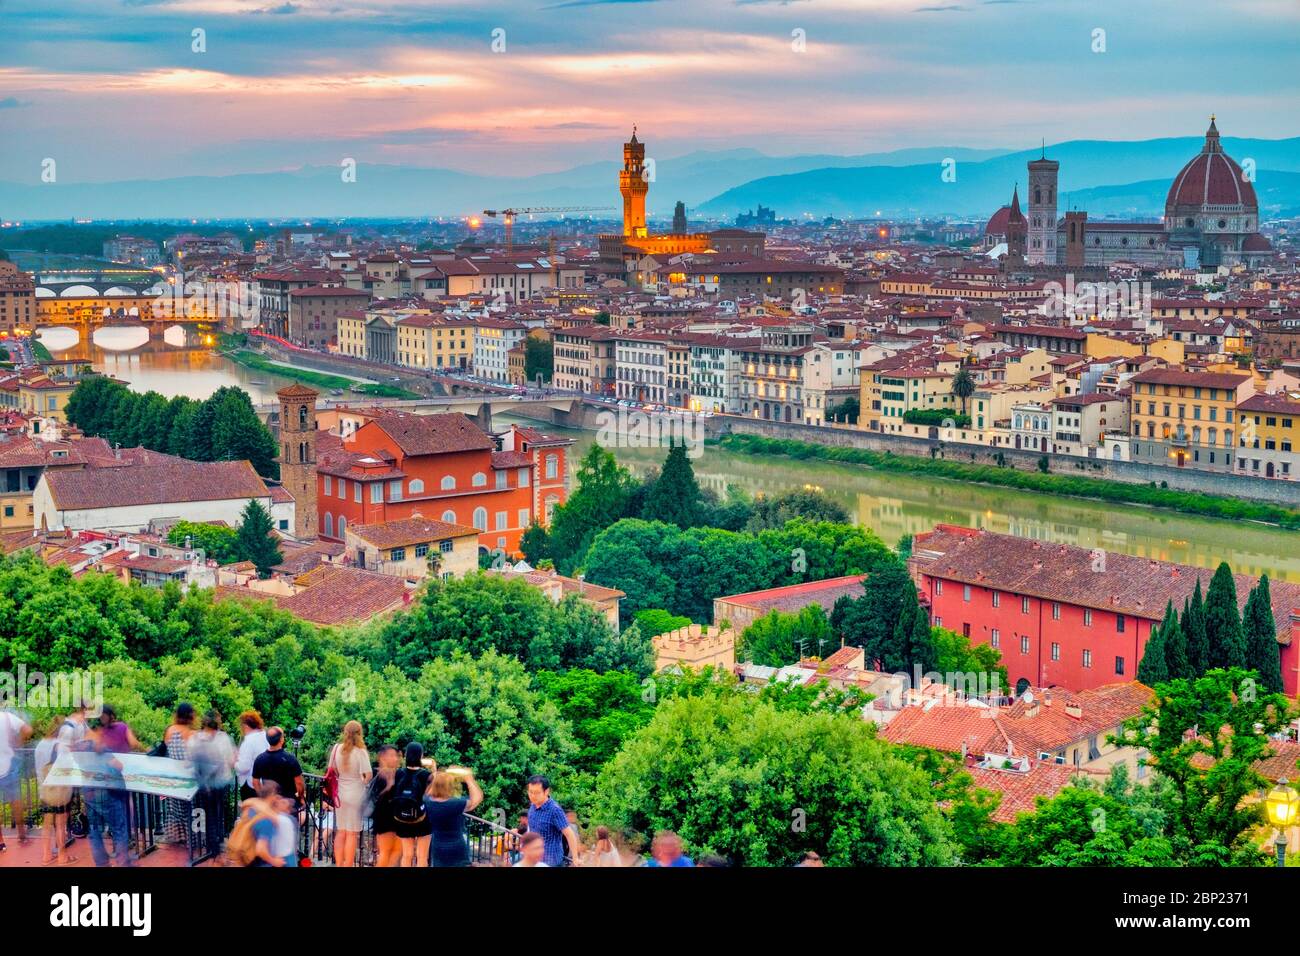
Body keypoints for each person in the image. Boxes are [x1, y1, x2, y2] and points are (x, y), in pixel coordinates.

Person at [74, 722, 132, 867]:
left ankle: (101, 863)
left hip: (89, 792)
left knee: (94, 830)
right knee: (118, 828)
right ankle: (123, 862)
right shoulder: (99, 747)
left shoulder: (79, 748)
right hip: (107, 791)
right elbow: (118, 765)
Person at [189, 709, 235, 859]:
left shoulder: (195, 738)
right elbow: (231, 760)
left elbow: (190, 760)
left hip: (204, 784)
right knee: (219, 811)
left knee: (209, 814)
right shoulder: (224, 738)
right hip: (221, 781)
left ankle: (212, 845)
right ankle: (218, 841)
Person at [327, 720, 371, 867]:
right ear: (360, 733)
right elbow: (368, 775)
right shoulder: (361, 751)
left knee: (341, 831)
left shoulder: (336, 749)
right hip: (356, 794)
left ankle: (339, 864)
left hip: (340, 793)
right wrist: (362, 782)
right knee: (352, 833)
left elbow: (332, 770)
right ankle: (348, 865)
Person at [34, 719, 77, 865]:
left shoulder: (40, 745)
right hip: (58, 790)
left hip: (45, 789)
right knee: (60, 824)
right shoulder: (59, 746)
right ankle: (62, 856)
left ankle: (46, 856)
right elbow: (67, 766)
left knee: (46, 824)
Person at [426, 768, 483, 867]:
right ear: (449, 786)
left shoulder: (428, 802)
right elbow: (476, 799)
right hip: (456, 846)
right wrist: (470, 780)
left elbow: (429, 792)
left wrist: (437, 778)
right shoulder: (456, 803)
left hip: (438, 847)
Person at [525, 774, 580, 868]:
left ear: (546, 791)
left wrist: (575, 858)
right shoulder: (532, 806)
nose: (533, 796)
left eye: (537, 793)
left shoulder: (554, 810)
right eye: (530, 792)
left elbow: (569, 834)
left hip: (551, 862)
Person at [392, 743, 432, 867]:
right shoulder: (426, 775)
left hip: (402, 817)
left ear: (406, 756)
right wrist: (434, 769)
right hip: (422, 818)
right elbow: (430, 795)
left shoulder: (398, 773)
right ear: (421, 756)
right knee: (422, 856)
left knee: (407, 855)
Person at [0, 705, 33, 852]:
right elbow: (28, 730)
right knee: (16, 800)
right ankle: (22, 835)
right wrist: (18, 742)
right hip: (8, 765)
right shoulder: (7, 717)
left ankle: (1, 841)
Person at [251, 726, 305, 815]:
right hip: (287, 804)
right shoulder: (290, 759)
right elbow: (299, 783)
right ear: (281, 740)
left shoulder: (259, 759)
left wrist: (264, 798)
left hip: (270, 803)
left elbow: (255, 782)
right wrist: (301, 797)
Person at [162, 702, 196, 843]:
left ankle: (177, 836)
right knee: (190, 809)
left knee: (174, 809)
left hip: (172, 776)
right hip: (188, 777)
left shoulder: (169, 730)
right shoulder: (191, 734)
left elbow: (166, 749)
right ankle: (191, 838)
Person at [366, 744, 402, 867]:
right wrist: (388, 786)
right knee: (386, 852)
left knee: (397, 851)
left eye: (396, 756)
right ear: (382, 757)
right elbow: (375, 797)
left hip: (397, 818)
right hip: (384, 818)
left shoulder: (397, 773)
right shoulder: (380, 775)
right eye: (391, 755)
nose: (395, 758)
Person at [234, 711, 269, 802]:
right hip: (265, 783)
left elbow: (243, 767)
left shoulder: (249, 741)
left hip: (251, 785)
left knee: (251, 813)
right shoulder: (265, 736)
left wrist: (233, 762)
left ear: (245, 726)